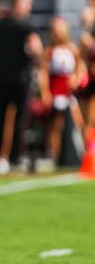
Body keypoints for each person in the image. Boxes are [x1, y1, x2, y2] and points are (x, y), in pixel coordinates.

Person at [0, 0, 44, 174]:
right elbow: (36, 49)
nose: (29, 8)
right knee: (19, 119)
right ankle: (15, 158)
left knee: (0, 119)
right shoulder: (26, 27)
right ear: (18, 4)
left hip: (1, 77)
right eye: (27, 4)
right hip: (21, 78)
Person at [40, 17, 86, 163]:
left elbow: (80, 68)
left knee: (78, 122)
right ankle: (53, 154)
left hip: (69, 93)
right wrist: (45, 92)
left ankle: (81, 153)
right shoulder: (50, 51)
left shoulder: (72, 49)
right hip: (56, 92)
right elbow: (44, 73)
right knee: (56, 124)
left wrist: (77, 78)